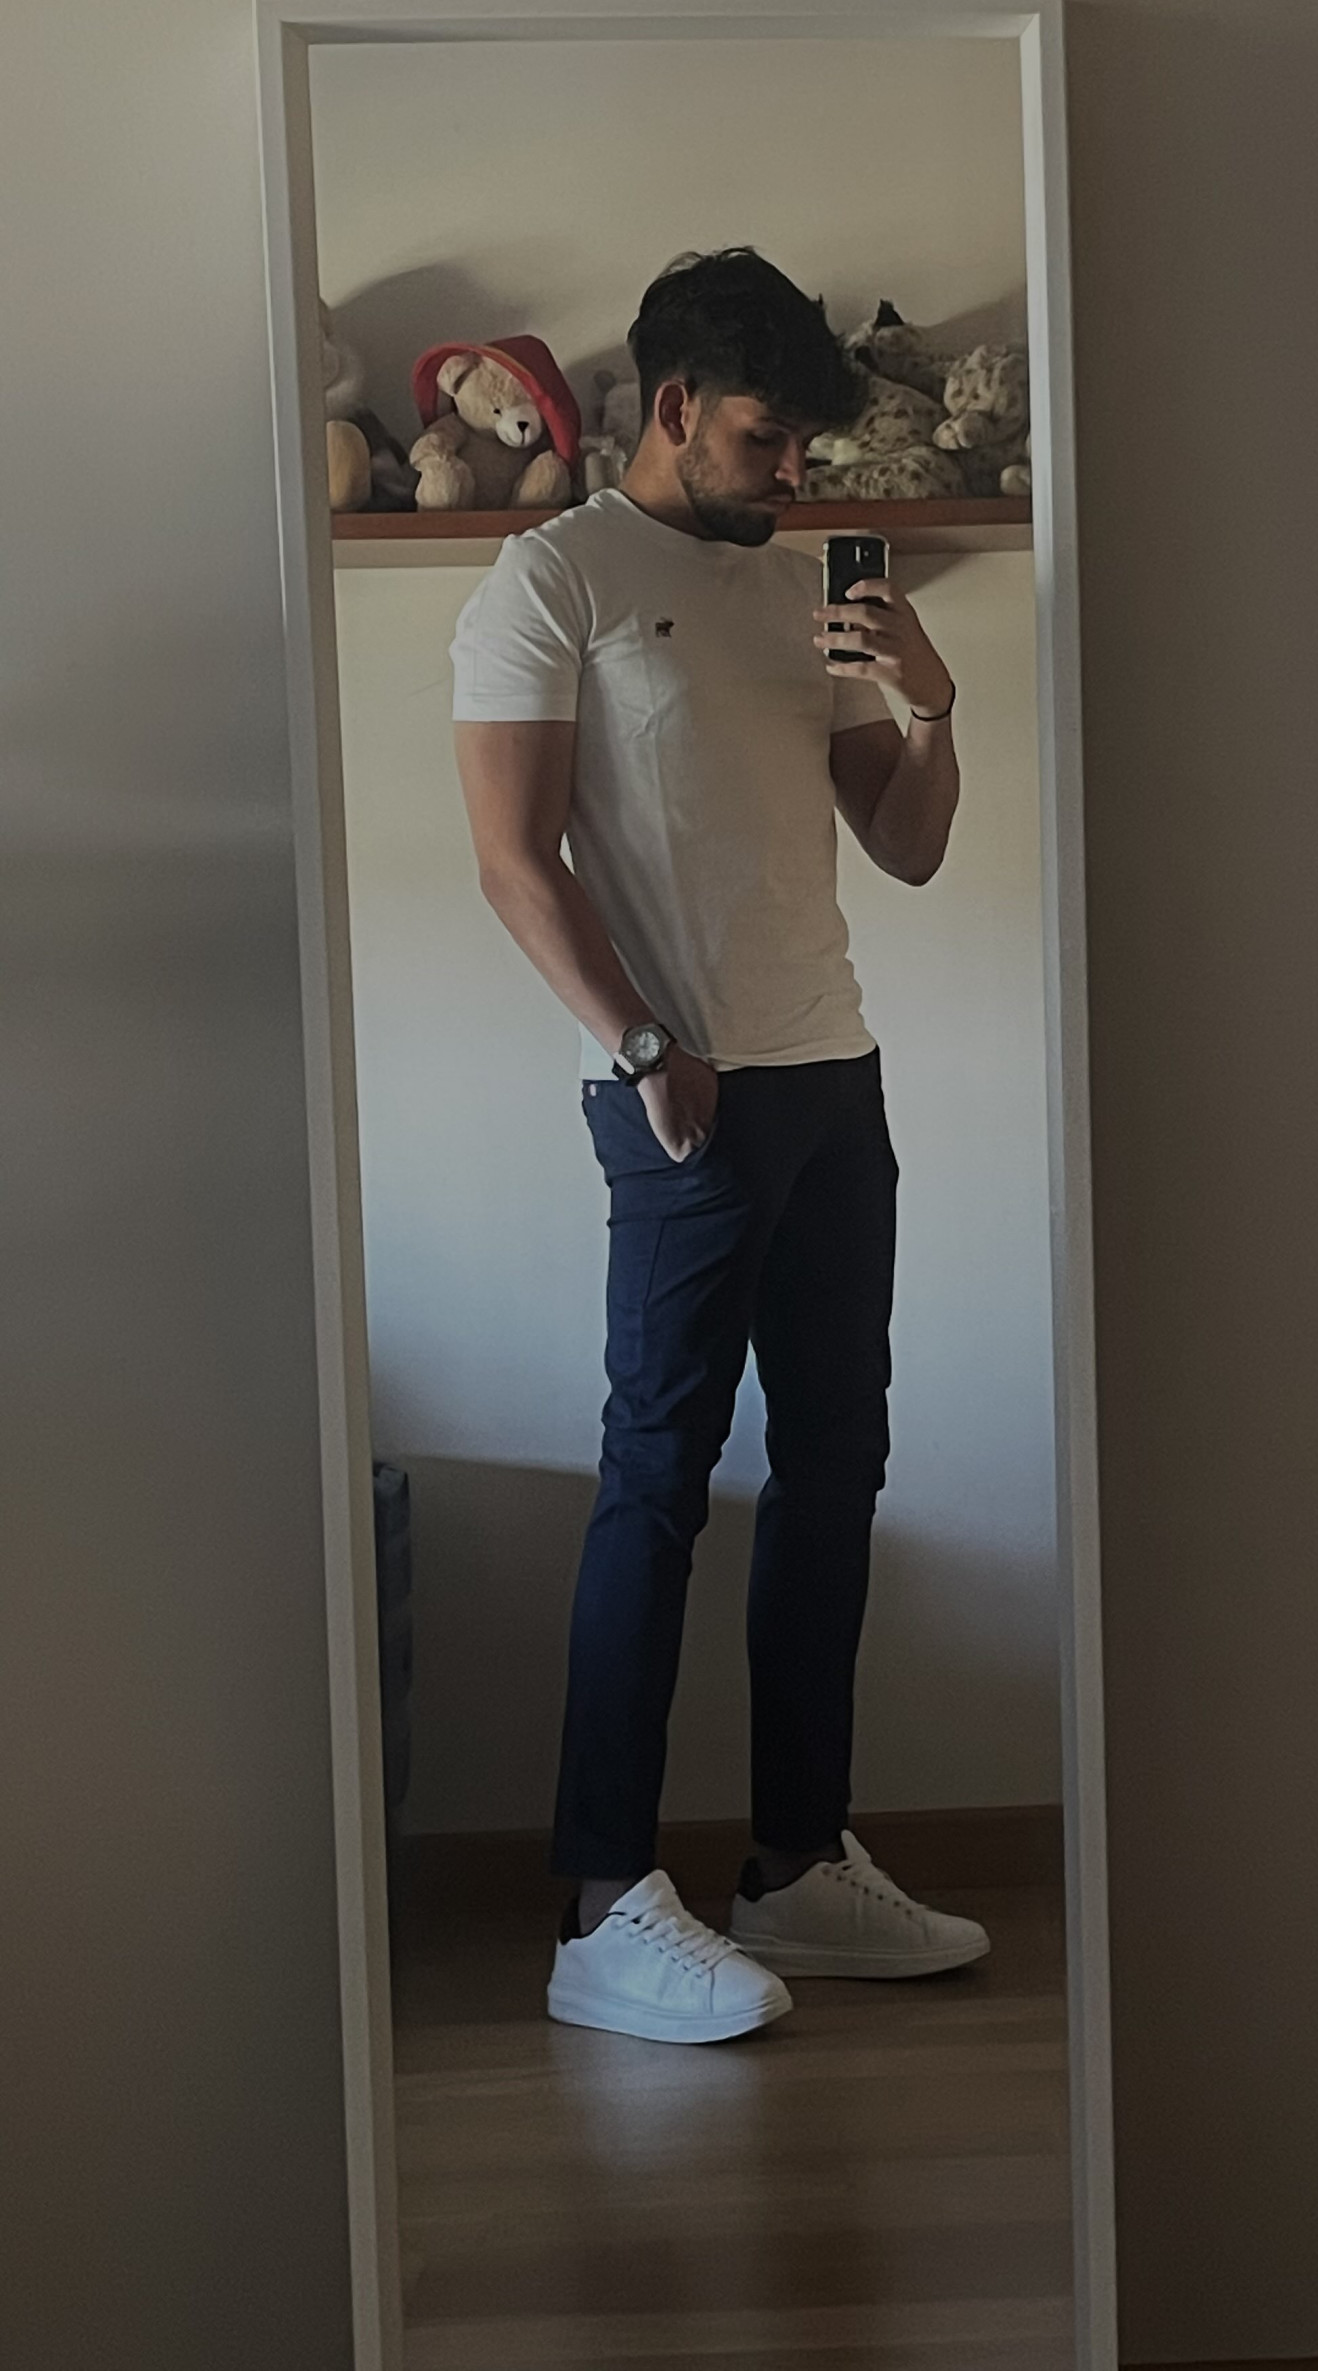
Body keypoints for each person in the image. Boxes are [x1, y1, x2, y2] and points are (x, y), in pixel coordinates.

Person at [450, 248, 989, 2046]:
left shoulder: (801, 588)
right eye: (768, 438)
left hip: (834, 1078)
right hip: (680, 1094)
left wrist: (933, 702)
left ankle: (795, 1867)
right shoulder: (554, 577)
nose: (792, 473)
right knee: (658, 1481)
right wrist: (645, 1049)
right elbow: (512, 857)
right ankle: (603, 1904)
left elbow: (906, 844)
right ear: (674, 405)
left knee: (837, 1467)